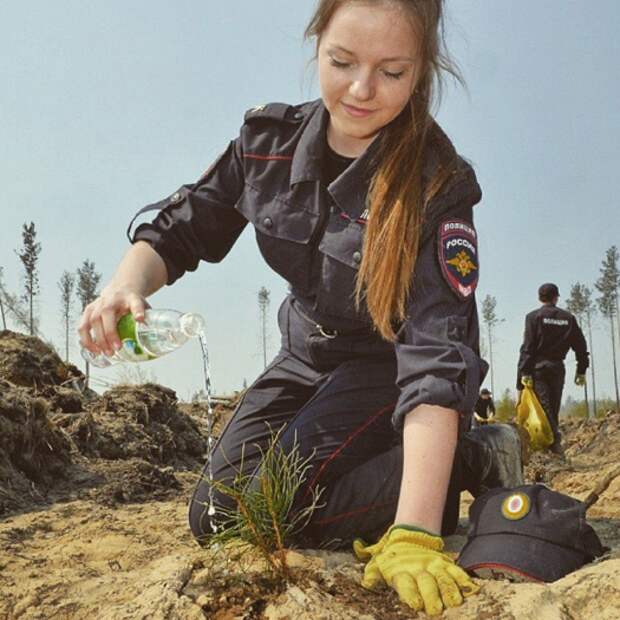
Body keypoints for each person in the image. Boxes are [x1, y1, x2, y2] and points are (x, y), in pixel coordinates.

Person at [78, 1, 524, 614]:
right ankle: (418, 467)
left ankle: (463, 458)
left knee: (277, 508)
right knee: (218, 516)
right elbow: (181, 228)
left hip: (386, 368)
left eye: (392, 72)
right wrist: (126, 287)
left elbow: (435, 359)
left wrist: (416, 532)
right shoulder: (267, 142)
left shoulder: (436, 183)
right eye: (342, 62)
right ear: (317, 44)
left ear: (422, 71)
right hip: (304, 356)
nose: (362, 90)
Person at [516, 283, 589, 454]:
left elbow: (528, 346)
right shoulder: (568, 318)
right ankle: (551, 446)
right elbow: (580, 344)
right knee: (553, 407)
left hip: (538, 368)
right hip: (557, 368)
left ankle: (552, 446)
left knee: (543, 408)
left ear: (540, 298)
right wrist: (581, 369)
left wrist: (524, 372)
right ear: (556, 297)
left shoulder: (533, 317)